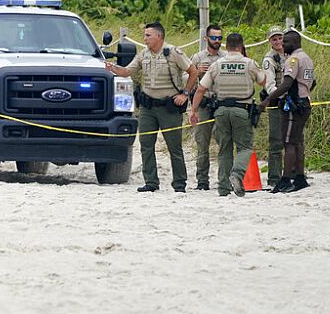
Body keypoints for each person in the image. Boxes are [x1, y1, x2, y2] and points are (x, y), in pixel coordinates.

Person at [106, 22, 199, 193]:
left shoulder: (173, 52)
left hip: (169, 106)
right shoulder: (143, 55)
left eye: (148, 35)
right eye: (144, 35)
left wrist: (185, 94)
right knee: (146, 144)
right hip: (148, 107)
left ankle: (179, 183)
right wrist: (113, 68)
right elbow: (127, 71)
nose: (145, 38)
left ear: (159, 36)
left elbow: (193, 71)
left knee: (174, 147)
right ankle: (151, 182)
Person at [189, 33, 265, 197]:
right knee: (245, 147)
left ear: (226, 46)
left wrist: (193, 110)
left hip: (221, 111)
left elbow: (201, 89)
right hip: (242, 110)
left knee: (224, 149)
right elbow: (262, 81)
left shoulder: (217, 64)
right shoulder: (249, 63)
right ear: (241, 46)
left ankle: (223, 188)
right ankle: (236, 175)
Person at [259, 30, 315, 193]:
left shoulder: (293, 59)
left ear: (295, 42)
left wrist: (267, 100)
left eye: (285, 41)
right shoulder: (307, 58)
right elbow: (312, 81)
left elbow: (286, 83)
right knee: (298, 142)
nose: (282, 44)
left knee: (288, 142)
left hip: (293, 105)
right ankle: (299, 177)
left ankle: (284, 180)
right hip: (304, 103)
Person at [188, 24, 226, 190]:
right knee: (202, 143)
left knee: (224, 141)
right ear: (206, 38)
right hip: (203, 104)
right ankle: (202, 180)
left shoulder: (225, 57)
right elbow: (184, 78)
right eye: (214, 38)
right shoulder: (197, 57)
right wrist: (196, 71)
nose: (217, 41)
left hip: (220, 103)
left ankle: (224, 179)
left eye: (219, 38)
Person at [261, 26, 286, 189]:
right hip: (277, 103)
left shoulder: (292, 54)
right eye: (274, 39)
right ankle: (274, 177)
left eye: (280, 38)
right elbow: (269, 84)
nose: (278, 41)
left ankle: (294, 172)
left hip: (293, 102)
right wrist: (280, 96)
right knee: (276, 141)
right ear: (270, 41)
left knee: (295, 140)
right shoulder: (269, 60)